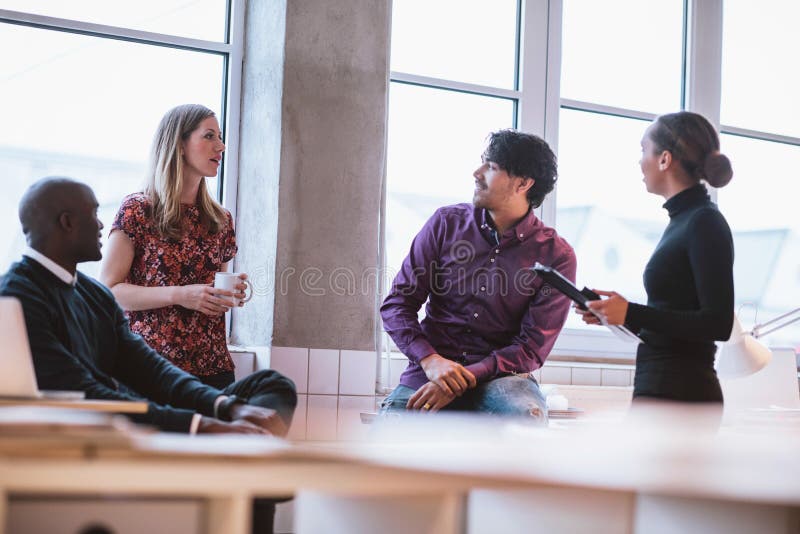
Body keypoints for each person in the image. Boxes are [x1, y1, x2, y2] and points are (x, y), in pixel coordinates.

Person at [2, 177, 295, 533]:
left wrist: (226, 408)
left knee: (271, 385)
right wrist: (202, 426)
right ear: (66, 222)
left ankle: (244, 469)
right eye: (93, 213)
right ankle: (250, 472)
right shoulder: (18, 295)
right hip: (106, 435)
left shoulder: (93, 294)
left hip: (137, 416)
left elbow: (151, 370)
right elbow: (85, 396)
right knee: (248, 465)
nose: (100, 224)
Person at [380, 129, 576, 421]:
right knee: (392, 429)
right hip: (431, 372)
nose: (477, 172)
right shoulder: (445, 224)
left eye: (492, 167)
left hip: (504, 381)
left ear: (523, 183)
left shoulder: (556, 256)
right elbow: (397, 304)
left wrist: (463, 378)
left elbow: (531, 348)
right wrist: (431, 360)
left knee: (526, 417)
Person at [574, 111, 734, 404]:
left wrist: (632, 312)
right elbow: (673, 318)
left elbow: (718, 324)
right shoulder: (683, 220)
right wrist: (617, 316)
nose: (639, 161)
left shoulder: (704, 222)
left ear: (664, 159)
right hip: (662, 386)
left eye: (643, 150)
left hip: (682, 394)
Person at [99, 104, 243, 389]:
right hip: (148, 365)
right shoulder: (138, 210)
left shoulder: (221, 219)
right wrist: (180, 294)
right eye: (209, 136)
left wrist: (229, 295)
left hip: (212, 368)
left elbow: (214, 294)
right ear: (179, 144)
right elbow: (110, 291)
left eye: (221, 137)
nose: (221, 146)